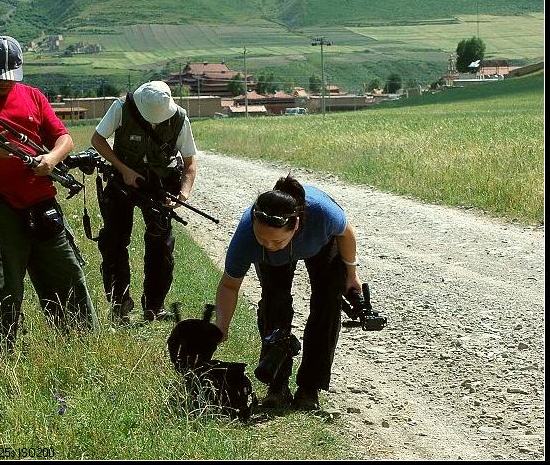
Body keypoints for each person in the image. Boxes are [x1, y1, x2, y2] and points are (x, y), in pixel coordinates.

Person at [0, 35, 98, 356]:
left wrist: (51, 159)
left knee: (69, 280)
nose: (4, 84)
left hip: (43, 207)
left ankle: (84, 352)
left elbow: (64, 139)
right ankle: (3, 360)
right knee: (2, 290)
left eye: (11, 77)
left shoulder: (33, 97)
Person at [214, 174, 361, 410]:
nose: (268, 245)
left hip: (320, 246)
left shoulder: (322, 215)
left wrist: (352, 274)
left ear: (296, 225)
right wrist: (222, 326)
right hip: (277, 261)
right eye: (262, 238)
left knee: (328, 303)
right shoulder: (247, 239)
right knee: (275, 302)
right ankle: (277, 385)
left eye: (276, 242)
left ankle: (309, 388)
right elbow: (229, 286)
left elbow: (347, 232)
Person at [90, 80, 198, 323]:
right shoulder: (121, 107)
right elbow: (97, 139)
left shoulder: (180, 118)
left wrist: (184, 193)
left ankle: (154, 306)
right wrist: (123, 169)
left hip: (160, 187)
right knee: (114, 241)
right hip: (121, 183)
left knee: (160, 245)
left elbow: (190, 163)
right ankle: (119, 302)